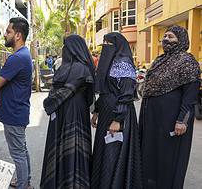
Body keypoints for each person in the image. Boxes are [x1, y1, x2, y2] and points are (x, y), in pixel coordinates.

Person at [139, 25, 200, 189]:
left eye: (171, 37)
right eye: (165, 36)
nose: (166, 39)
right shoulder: (160, 60)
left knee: (168, 157)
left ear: (181, 40)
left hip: (172, 119)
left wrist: (182, 120)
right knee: (152, 155)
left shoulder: (187, 61)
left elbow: (190, 96)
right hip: (153, 118)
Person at [41, 35, 95, 189]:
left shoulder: (80, 68)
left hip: (73, 111)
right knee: (64, 147)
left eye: (65, 46)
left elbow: (67, 89)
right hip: (64, 110)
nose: (63, 49)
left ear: (72, 49)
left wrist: (50, 101)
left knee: (73, 147)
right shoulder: (67, 66)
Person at [91, 32, 142, 188]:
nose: (105, 48)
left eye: (109, 44)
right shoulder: (109, 62)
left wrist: (117, 120)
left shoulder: (124, 63)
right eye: (104, 44)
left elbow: (126, 95)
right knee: (104, 151)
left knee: (114, 152)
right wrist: (97, 111)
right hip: (106, 114)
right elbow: (106, 90)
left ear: (118, 46)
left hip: (118, 115)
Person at [0, 17, 33, 189]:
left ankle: (24, 184)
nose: (5, 34)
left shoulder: (17, 57)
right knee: (21, 150)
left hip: (14, 113)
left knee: (18, 153)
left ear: (17, 35)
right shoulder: (23, 55)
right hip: (17, 112)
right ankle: (25, 180)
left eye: (8, 31)